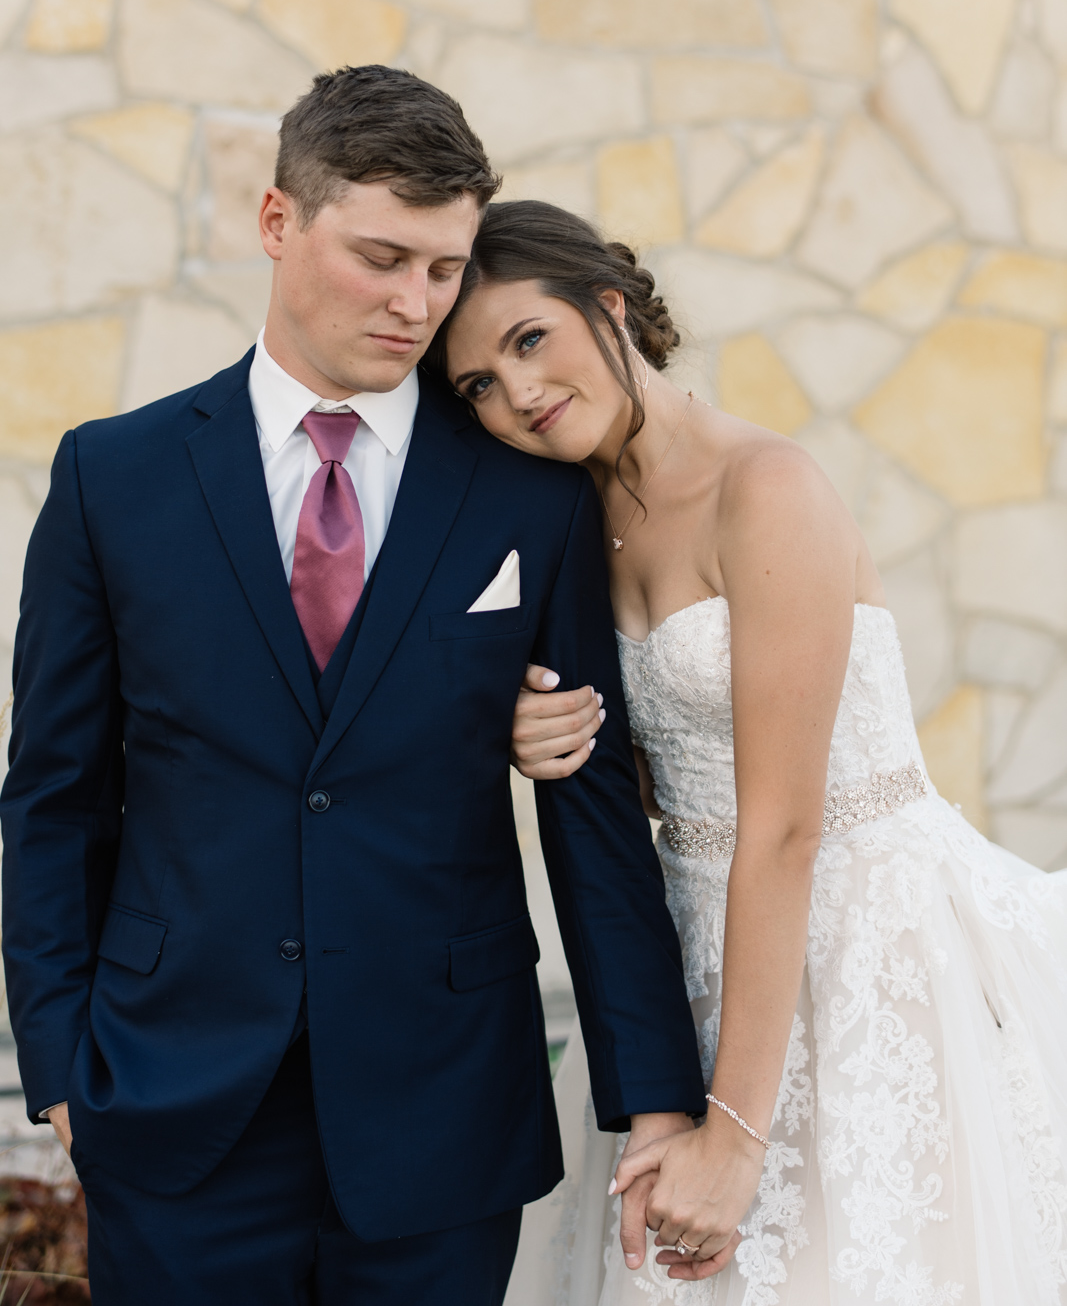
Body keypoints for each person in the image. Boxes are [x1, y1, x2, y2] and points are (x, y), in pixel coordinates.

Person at [0, 69, 710, 1306]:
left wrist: (651, 1097)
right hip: (170, 1108)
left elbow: (588, 809)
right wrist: (60, 1069)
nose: (416, 303)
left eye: (444, 269)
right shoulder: (113, 478)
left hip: (440, 1122)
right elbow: (53, 799)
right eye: (383, 257)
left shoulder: (527, 496)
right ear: (278, 221)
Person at [434, 198, 1067, 1306]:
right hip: (685, 953)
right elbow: (653, 772)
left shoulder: (763, 488)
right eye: (477, 383)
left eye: (527, 340)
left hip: (868, 943)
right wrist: (536, 733)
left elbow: (782, 824)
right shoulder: (568, 518)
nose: (516, 393)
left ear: (608, 306)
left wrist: (732, 1134)